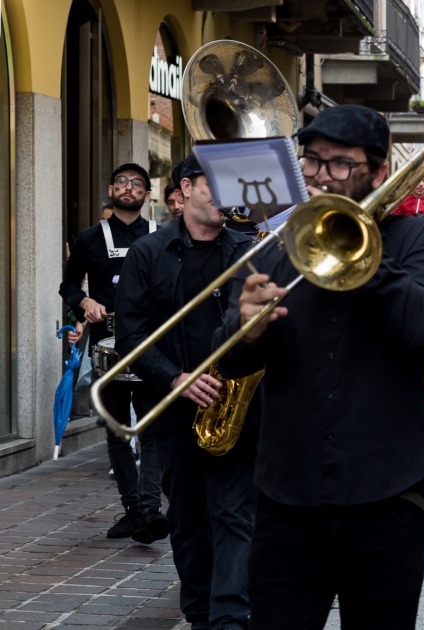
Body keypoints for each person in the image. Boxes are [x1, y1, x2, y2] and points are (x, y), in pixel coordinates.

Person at [214, 105, 424, 628]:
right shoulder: (273, 251)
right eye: (314, 162)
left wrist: (356, 254)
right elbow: (227, 362)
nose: (322, 176)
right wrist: (243, 330)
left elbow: (420, 325)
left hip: (387, 496)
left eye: (340, 164)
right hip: (287, 499)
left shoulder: (418, 241)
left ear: (379, 172)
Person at [117, 154, 258, 629]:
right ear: (184, 189)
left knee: (235, 515)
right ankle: (201, 614)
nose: (223, 193)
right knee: (189, 521)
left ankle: (229, 620)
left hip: (236, 403)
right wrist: (177, 378)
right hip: (175, 407)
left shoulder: (249, 248)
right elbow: (131, 337)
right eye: (212, 182)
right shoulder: (147, 253)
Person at [59, 163, 166, 542]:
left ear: (147, 194)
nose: (129, 188)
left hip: (154, 348)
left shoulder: (164, 235)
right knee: (118, 430)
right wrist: (83, 302)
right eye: (122, 181)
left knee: (151, 430)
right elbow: (67, 284)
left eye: (137, 183)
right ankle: (135, 510)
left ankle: (150, 509)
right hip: (108, 348)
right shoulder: (89, 238)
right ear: (110, 188)